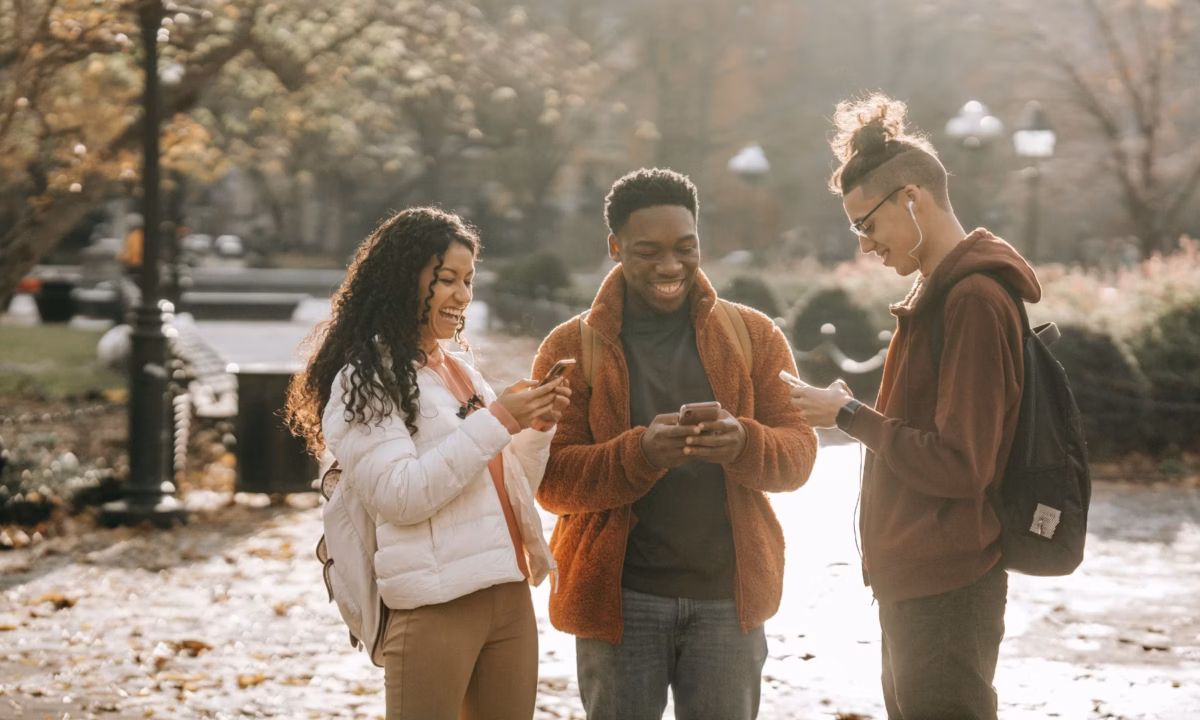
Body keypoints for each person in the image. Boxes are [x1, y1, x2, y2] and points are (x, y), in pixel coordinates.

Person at [532, 168, 818, 720]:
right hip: (620, 603)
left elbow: (800, 454)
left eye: (685, 248)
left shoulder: (753, 335)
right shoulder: (571, 347)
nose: (671, 266)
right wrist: (639, 455)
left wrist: (744, 443)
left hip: (729, 602)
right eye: (648, 251)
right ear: (615, 248)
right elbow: (551, 481)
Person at [789, 94, 1041, 719]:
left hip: (947, 583)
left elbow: (960, 464)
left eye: (867, 225)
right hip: (921, 579)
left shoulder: (972, 298)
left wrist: (846, 416)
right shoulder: (940, 291)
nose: (865, 245)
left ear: (911, 198)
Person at [284, 207, 570, 719]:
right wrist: (498, 420)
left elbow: (509, 490)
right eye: (447, 279)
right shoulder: (365, 381)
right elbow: (401, 496)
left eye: (469, 280)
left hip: (508, 596)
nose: (463, 295)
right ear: (403, 281)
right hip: (436, 607)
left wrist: (536, 428)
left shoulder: (460, 373)